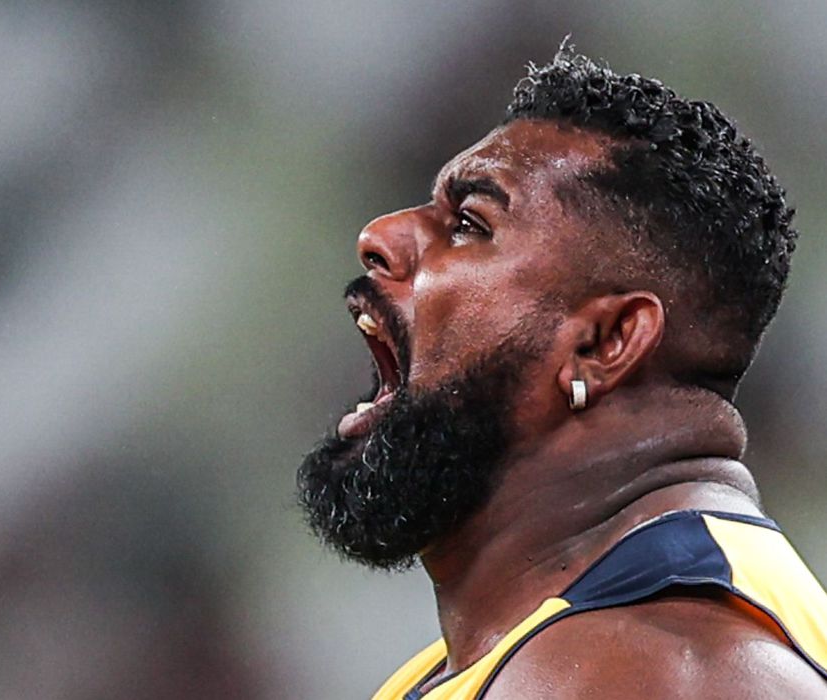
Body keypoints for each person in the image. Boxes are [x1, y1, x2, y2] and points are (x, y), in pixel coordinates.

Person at [296, 45, 827, 699]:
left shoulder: (654, 668)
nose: (379, 235)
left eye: (469, 224)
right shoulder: (564, 642)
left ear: (605, 342)